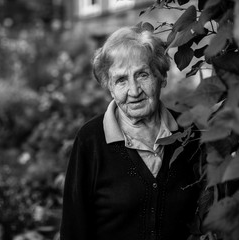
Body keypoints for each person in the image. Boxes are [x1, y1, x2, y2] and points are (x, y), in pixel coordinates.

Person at [60, 24, 201, 240]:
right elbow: (74, 228)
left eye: (142, 75)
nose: (134, 91)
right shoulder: (91, 140)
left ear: (161, 77)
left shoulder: (189, 132)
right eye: (121, 80)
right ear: (109, 86)